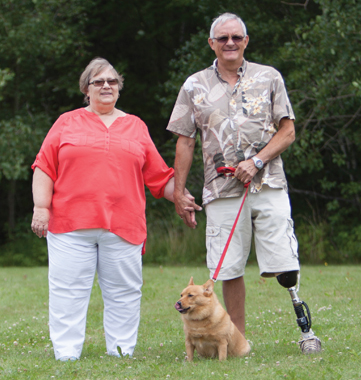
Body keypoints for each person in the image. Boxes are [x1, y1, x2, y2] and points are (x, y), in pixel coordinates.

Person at [167, 13, 321, 353]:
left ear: (246, 41)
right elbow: (185, 141)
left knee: (284, 260)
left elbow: (288, 131)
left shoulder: (269, 77)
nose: (230, 43)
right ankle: (236, 343)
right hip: (220, 190)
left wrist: (257, 161)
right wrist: (178, 192)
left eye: (236, 37)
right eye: (223, 38)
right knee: (228, 266)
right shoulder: (194, 85)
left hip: (268, 183)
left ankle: (306, 329)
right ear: (212, 43)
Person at [31, 57, 197, 361]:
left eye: (112, 81)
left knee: (124, 293)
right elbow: (44, 167)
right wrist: (41, 207)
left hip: (124, 226)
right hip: (70, 225)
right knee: (68, 293)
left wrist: (182, 197)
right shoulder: (67, 122)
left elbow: (160, 177)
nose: (106, 86)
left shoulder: (135, 126)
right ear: (86, 88)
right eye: (99, 81)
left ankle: (121, 352)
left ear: (119, 88)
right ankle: (66, 355)